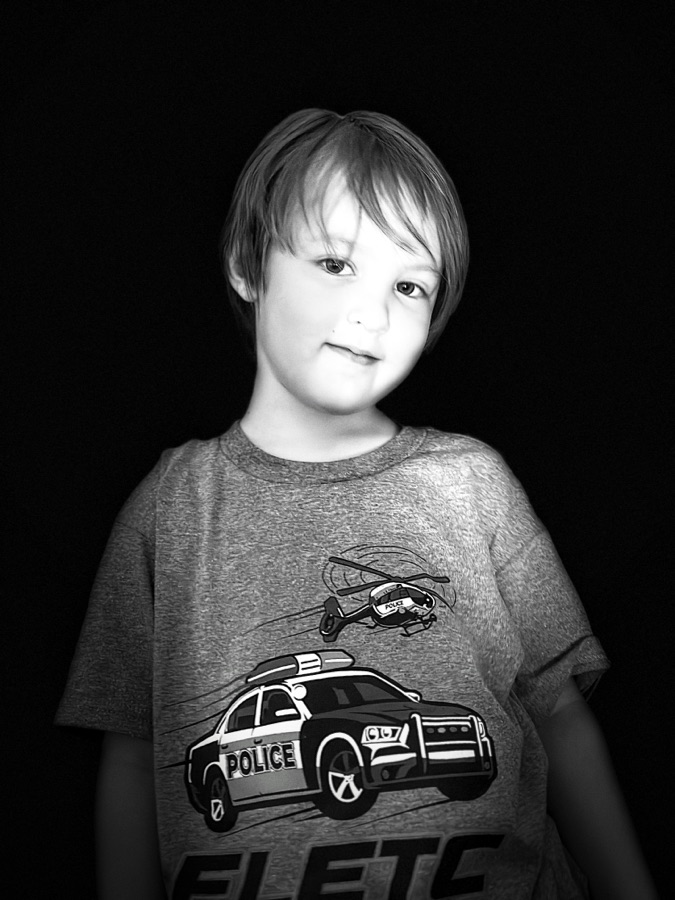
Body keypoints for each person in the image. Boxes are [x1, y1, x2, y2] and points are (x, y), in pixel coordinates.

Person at [56, 109, 657, 900]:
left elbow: (559, 716)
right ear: (247, 264)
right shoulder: (170, 508)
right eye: (335, 263)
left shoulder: (469, 482)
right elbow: (132, 758)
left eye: (408, 285)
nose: (371, 312)